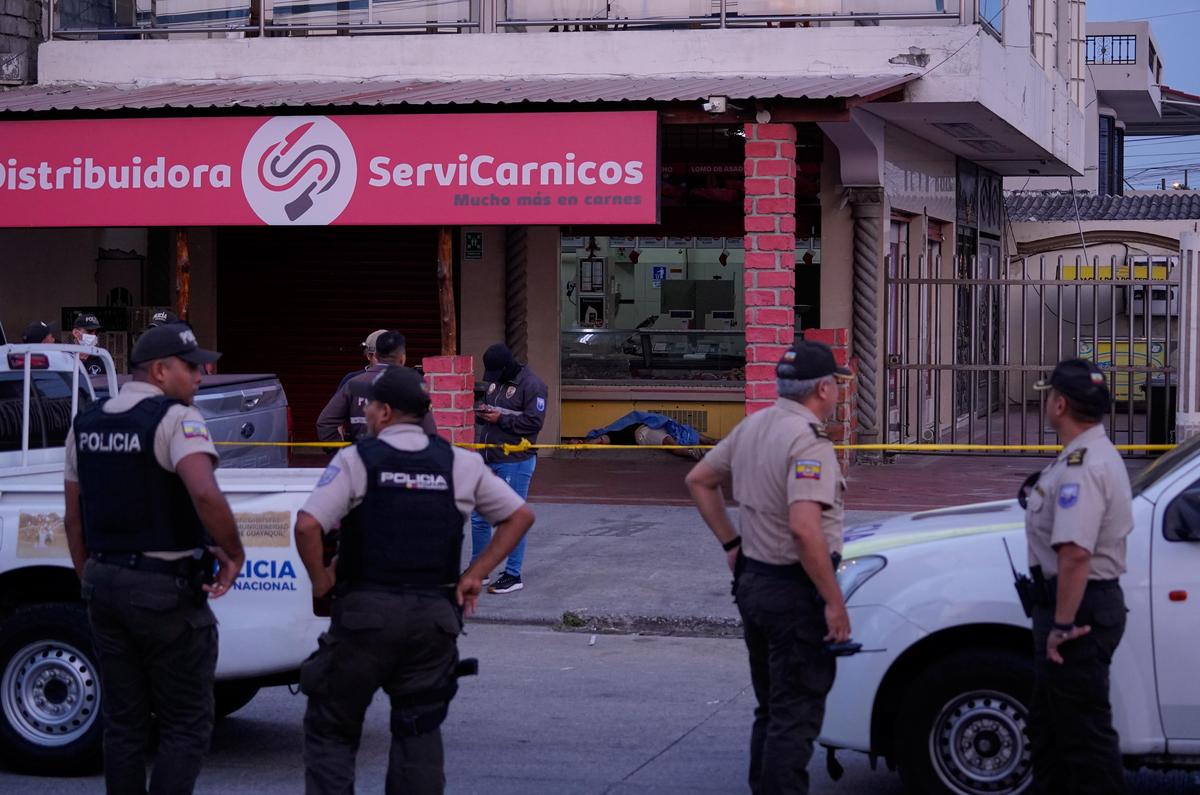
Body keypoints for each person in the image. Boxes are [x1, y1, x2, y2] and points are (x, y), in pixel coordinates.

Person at [294, 366, 535, 795]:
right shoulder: (459, 462)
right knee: (419, 731)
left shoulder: (355, 459)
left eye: (369, 407)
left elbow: (308, 525)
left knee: (332, 727)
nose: (365, 413)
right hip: (432, 620)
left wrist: (320, 580)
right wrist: (474, 576)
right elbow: (520, 516)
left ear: (384, 412)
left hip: (364, 616)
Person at [62, 322, 245, 794]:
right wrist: (233, 552)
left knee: (123, 723)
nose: (201, 375)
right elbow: (205, 495)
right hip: (165, 591)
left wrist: (91, 577)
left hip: (105, 583)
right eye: (192, 366)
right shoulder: (176, 419)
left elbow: (73, 518)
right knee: (185, 723)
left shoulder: (86, 421)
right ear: (161, 371)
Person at [685, 340, 853, 795]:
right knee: (793, 716)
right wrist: (834, 603)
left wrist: (732, 543)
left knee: (772, 707)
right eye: (837, 384)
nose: (839, 392)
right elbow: (804, 528)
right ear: (822, 388)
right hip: (792, 594)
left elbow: (699, 479)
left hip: (755, 582)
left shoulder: (754, 425)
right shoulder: (809, 440)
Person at [1020, 358, 1132, 795]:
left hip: (1077, 614)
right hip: (1076, 606)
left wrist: (1061, 627)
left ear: (1060, 403)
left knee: (1084, 741)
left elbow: (1074, 555)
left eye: (1049, 395)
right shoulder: (1089, 455)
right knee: (1051, 732)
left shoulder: (1083, 466)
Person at [470, 343, 548, 594]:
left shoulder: (533, 385)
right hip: (488, 457)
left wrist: (501, 418)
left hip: (515, 460)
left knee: (512, 519)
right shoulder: (496, 382)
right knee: (478, 516)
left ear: (506, 366)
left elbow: (534, 423)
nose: (491, 380)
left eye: (495, 373)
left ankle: (513, 574)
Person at [316, 330, 435, 442]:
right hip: (398, 458)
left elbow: (326, 422)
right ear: (402, 358)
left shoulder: (353, 383)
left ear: (375, 355)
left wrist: (341, 451)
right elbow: (429, 431)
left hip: (363, 455)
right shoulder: (412, 383)